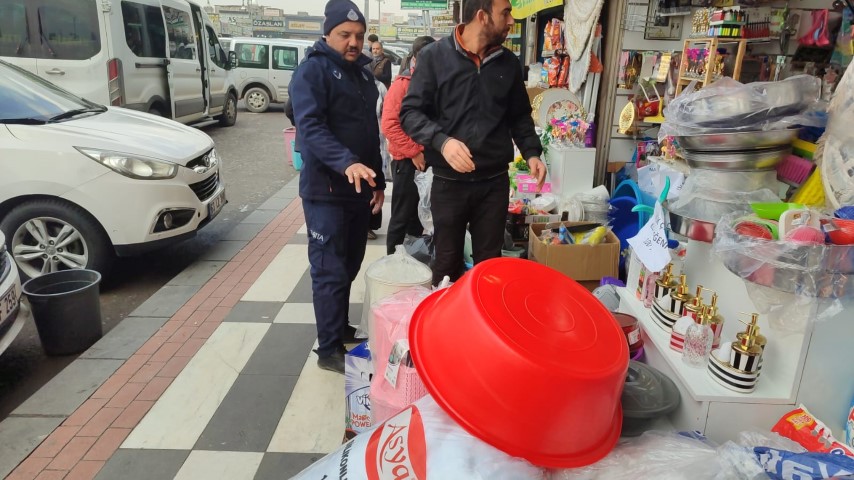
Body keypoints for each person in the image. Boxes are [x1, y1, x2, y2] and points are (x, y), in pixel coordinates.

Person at [400, 0, 546, 285]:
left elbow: (519, 116)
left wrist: (532, 153)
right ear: (482, 16)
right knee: (446, 263)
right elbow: (410, 113)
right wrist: (442, 142)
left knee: (489, 267)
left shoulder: (509, 63)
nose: (511, 21)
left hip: (493, 183)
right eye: (505, 13)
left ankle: (481, 324)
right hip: (448, 182)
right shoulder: (434, 57)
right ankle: (446, 326)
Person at [289, 0, 385, 374]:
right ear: (327, 34)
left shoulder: (362, 76)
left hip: (359, 190)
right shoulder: (312, 72)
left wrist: (375, 179)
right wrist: (347, 162)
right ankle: (328, 348)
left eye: (359, 36)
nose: (353, 42)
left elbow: (368, 134)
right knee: (329, 268)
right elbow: (310, 128)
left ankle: (338, 326)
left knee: (349, 264)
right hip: (326, 192)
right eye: (345, 35)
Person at [381, 36, 435, 255]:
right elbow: (390, 125)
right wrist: (414, 151)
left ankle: (412, 264)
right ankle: (391, 266)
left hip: (427, 162)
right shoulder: (402, 85)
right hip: (406, 162)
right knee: (401, 218)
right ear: (416, 58)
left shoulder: (433, 83)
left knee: (418, 218)